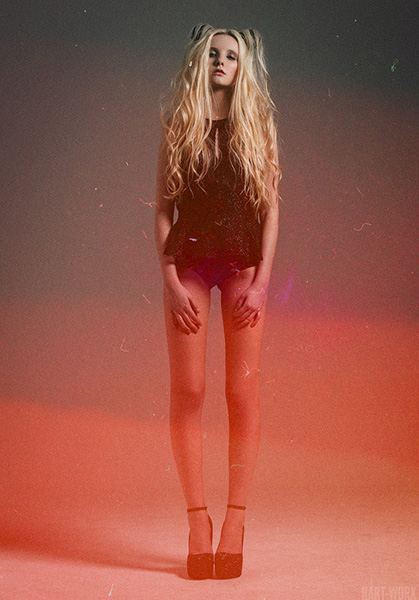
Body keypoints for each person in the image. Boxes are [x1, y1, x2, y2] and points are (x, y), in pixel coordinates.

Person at [154, 23, 280, 579]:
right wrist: (170, 279)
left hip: (243, 269)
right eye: (212, 54)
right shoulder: (179, 125)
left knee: (240, 392)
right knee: (189, 391)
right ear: (199, 61)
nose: (221, 61)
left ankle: (236, 521)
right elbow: (163, 209)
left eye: (230, 55)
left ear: (243, 64)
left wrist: (263, 281)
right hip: (189, 268)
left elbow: (270, 210)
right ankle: (196, 520)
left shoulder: (257, 125)